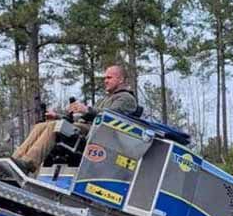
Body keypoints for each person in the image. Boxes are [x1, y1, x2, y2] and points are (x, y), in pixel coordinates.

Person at [10, 64, 138, 174]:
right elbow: (83, 118)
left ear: (121, 80)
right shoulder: (106, 98)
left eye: (109, 77)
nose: (105, 80)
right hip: (87, 129)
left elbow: (110, 117)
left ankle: (28, 163)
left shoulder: (126, 98)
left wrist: (86, 109)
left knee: (54, 127)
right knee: (41, 126)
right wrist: (58, 117)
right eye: (105, 77)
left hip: (101, 137)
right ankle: (16, 159)